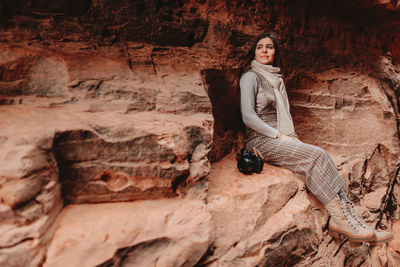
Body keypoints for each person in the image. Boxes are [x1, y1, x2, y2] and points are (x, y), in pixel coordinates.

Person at [239, 32, 393, 245]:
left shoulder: (276, 79)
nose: (264, 50)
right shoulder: (250, 77)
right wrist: (279, 135)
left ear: (275, 53)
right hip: (261, 140)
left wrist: (287, 137)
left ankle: (355, 220)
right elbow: (248, 116)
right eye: (260, 47)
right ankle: (341, 220)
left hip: (281, 137)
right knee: (316, 156)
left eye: (269, 47)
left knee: (325, 159)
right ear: (253, 52)